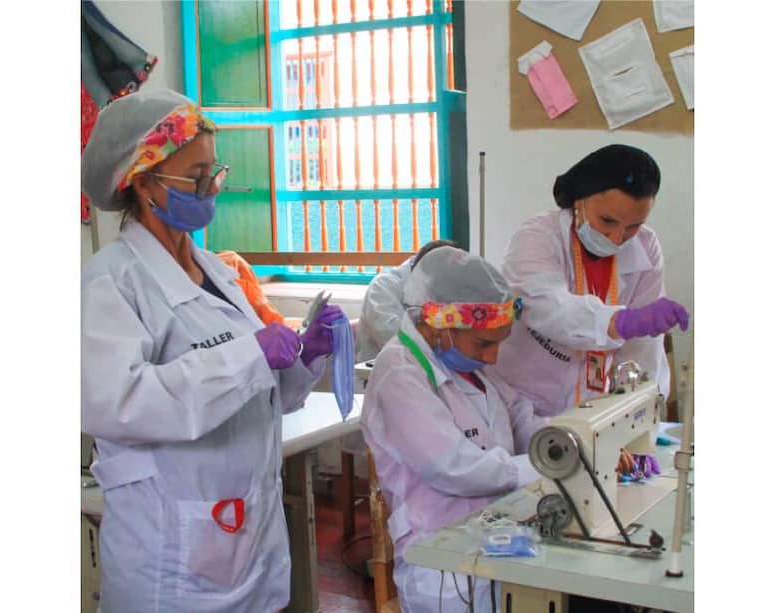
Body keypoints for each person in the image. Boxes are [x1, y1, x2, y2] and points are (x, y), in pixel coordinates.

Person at [80, 88, 345, 612]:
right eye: (195, 177)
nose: (211, 188)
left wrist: (304, 360)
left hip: (245, 535)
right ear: (144, 181)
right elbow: (118, 403)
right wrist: (249, 357)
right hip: (170, 553)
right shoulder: (112, 282)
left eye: (214, 173)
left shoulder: (218, 273)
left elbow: (260, 398)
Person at [360, 246, 549, 612]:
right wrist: (540, 467)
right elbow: (451, 466)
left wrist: (559, 444)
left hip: (496, 540)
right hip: (441, 565)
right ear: (438, 324)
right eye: (484, 344)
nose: (493, 356)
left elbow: (518, 412)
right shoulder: (400, 373)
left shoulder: (464, 362)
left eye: (499, 342)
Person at [496, 144, 689, 417]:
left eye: (633, 226)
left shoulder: (646, 246)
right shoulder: (538, 236)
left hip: (591, 410)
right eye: (607, 220)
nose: (618, 237)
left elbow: (643, 352)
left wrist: (641, 413)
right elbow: (547, 308)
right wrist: (620, 322)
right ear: (580, 201)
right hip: (524, 402)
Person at [355, 239, 458, 362]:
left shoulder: (446, 286)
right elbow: (393, 338)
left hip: (432, 366)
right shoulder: (383, 286)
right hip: (385, 368)